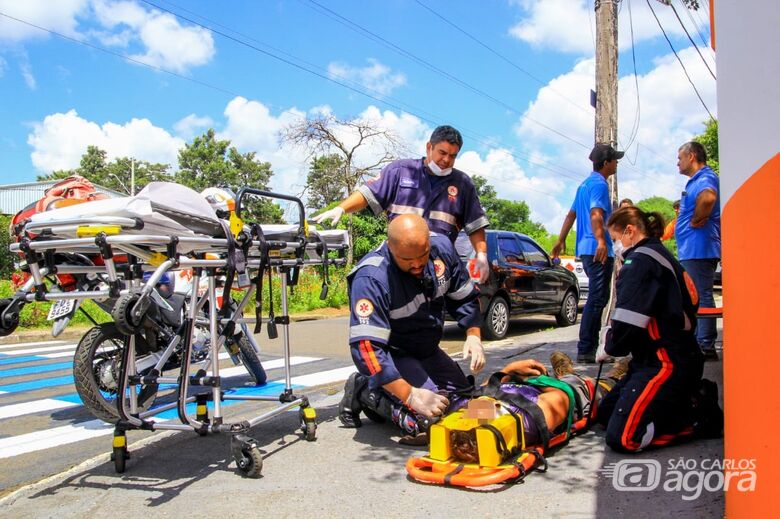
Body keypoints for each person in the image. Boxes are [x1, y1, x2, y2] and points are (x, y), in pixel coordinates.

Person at [338, 214, 485, 443]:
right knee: (429, 423)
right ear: (390, 248)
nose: (417, 264)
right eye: (407, 259)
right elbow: (367, 348)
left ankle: (393, 389)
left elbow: (464, 297)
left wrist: (473, 335)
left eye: (423, 255)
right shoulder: (371, 277)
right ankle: (365, 389)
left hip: (426, 348)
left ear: (429, 243)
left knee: (468, 404)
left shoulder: (442, 250)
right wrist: (410, 395)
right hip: (394, 355)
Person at [596, 206, 720, 452]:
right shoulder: (658, 255)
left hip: (666, 363)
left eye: (615, 239)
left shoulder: (641, 262)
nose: (616, 246)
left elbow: (628, 324)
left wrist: (608, 344)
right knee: (606, 413)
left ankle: (699, 415)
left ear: (630, 231)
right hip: (657, 359)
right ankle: (678, 401)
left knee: (624, 437)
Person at [312, 125, 491, 282]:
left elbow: (475, 225)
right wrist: (341, 208)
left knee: (431, 317)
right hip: (400, 262)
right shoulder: (401, 171)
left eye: (452, 156)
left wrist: (481, 255)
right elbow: (369, 194)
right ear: (429, 147)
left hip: (437, 266)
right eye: (442, 153)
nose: (446, 160)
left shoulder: (462, 184)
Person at [551, 143, 622, 363]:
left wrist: (561, 240)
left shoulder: (583, 185)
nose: (617, 163)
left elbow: (570, 215)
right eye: (614, 159)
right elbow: (596, 214)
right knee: (597, 299)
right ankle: (587, 349)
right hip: (597, 249)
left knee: (596, 298)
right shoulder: (599, 184)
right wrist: (602, 240)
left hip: (585, 248)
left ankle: (588, 347)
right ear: (606, 163)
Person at [675, 141, 721, 360]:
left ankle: (705, 344)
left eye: (680, 158)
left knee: (701, 296)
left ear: (691, 156)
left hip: (699, 249)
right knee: (695, 296)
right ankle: (701, 342)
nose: (678, 163)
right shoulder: (696, 181)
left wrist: (697, 218)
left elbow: (709, 197)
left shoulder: (705, 177)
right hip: (692, 250)